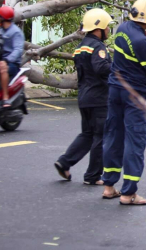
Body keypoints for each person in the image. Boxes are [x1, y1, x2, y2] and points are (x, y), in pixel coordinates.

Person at [101, 0, 146, 206]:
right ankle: (129, 193)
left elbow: (135, 55)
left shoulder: (122, 28)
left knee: (113, 135)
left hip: (114, 89)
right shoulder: (143, 42)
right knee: (134, 140)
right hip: (133, 93)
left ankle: (109, 186)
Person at [55, 9, 113, 185]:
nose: (109, 30)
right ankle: (93, 176)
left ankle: (64, 162)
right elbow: (101, 68)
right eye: (107, 27)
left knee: (87, 134)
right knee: (100, 136)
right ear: (99, 28)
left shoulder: (81, 47)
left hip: (84, 97)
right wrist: (117, 66)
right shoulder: (98, 47)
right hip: (98, 98)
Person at [0, 6, 24, 107]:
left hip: (12, 63)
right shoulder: (1, 30)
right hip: (0, 60)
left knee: (3, 69)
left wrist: (6, 60)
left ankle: (5, 97)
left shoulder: (16, 32)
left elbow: (18, 50)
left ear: (3, 18)